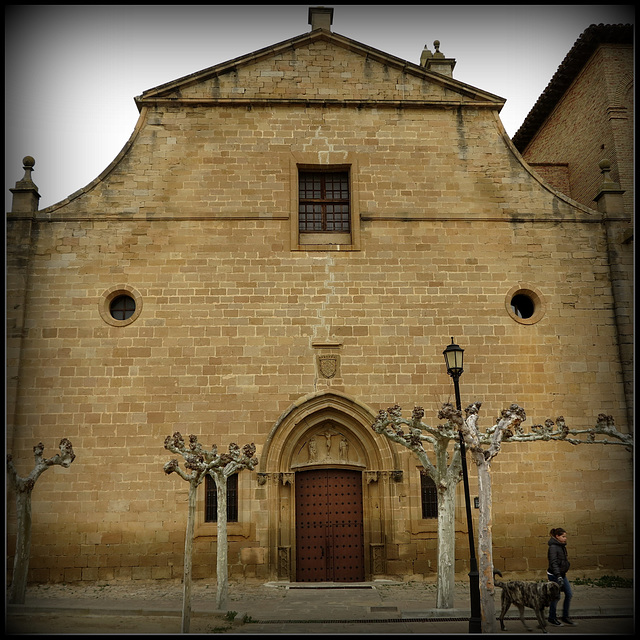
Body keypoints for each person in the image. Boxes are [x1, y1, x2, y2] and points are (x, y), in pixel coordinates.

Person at [547, 527, 575, 626]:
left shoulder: (561, 545)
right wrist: (558, 576)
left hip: (561, 574)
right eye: (563, 536)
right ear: (557, 536)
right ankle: (552, 617)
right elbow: (553, 563)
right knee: (556, 597)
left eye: (565, 536)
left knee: (569, 594)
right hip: (555, 575)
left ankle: (565, 616)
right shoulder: (553, 547)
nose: (565, 538)